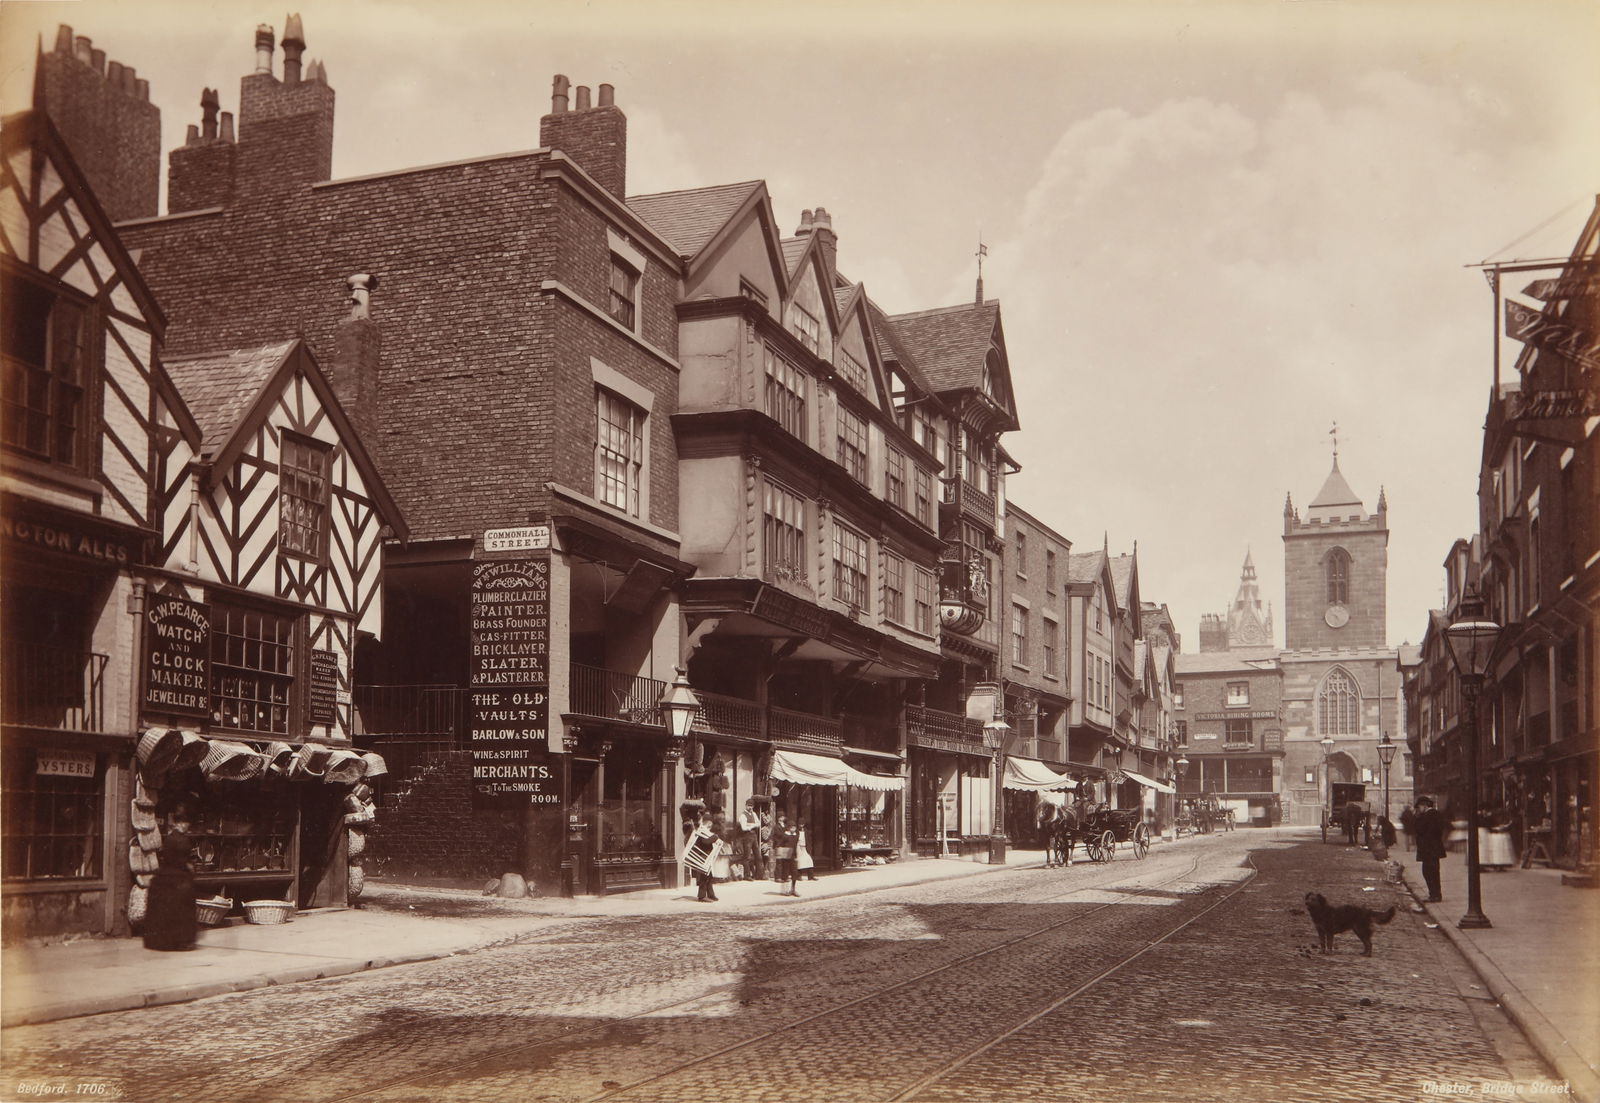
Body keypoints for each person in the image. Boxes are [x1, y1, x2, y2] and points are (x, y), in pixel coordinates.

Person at [143, 829, 198, 951]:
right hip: (177, 876)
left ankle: (161, 939)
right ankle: (180, 940)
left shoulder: (158, 879)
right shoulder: (184, 878)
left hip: (167, 873)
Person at [1413, 796, 1448, 903]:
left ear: (1424, 805)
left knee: (1429, 872)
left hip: (1428, 849)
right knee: (1432, 872)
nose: (1418, 809)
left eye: (1419, 807)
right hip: (1434, 849)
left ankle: (1434, 895)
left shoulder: (1427, 816)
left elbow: (1419, 829)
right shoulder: (1436, 814)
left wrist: (1417, 818)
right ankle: (1435, 894)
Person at [684, 812, 723, 902]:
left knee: (709, 877)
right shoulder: (702, 831)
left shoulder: (704, 830)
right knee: (704, 877)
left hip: (705, 857)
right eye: (710, 824)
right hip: (702, 857)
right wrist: (714, 837)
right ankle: (701, 896)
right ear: (708, 823)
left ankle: (710, 894)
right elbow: (705, 842)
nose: (710, 826)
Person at [773, 812, 798, 895]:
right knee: (786, 873)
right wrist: (780, 852)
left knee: (794, 873)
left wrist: (797, 855)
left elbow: (796, 846)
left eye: (794, 827)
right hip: (786, 855)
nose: (793, 829)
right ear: (788, 828)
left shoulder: (795, 836)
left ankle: (793, 889)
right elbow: (780, 844)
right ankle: (784, 890)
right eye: (792, 828)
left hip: (793, 856)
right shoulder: (785, 836)